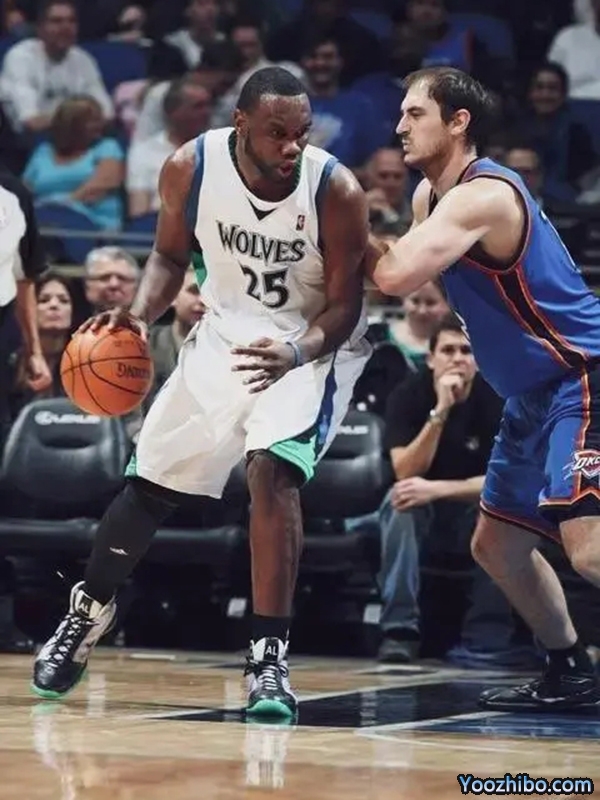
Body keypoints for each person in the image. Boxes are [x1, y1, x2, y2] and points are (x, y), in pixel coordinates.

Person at [31, 66, 371, 719]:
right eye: (277, 132)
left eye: (301, 132)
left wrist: (296, 352)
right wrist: (139, 316)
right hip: (222, 333)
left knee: (272, 472)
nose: (292, 146)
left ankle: (268, 657)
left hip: (307, 346)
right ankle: (87, 612)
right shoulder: (190, 167)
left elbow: (347, 307)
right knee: (149, 484)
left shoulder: (336, 190)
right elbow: (167, 257)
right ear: (240, 123)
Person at [367, 65, 600, 711]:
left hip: (584, 374)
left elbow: (392, 276)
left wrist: (333, 215)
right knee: (496, 545)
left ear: (458, 122)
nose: (399, 126)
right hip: (532, 393)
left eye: (415, 113)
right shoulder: (429, 198)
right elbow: (389, 269)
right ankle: (570, 670)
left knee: (588, 551)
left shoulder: (484, 195)